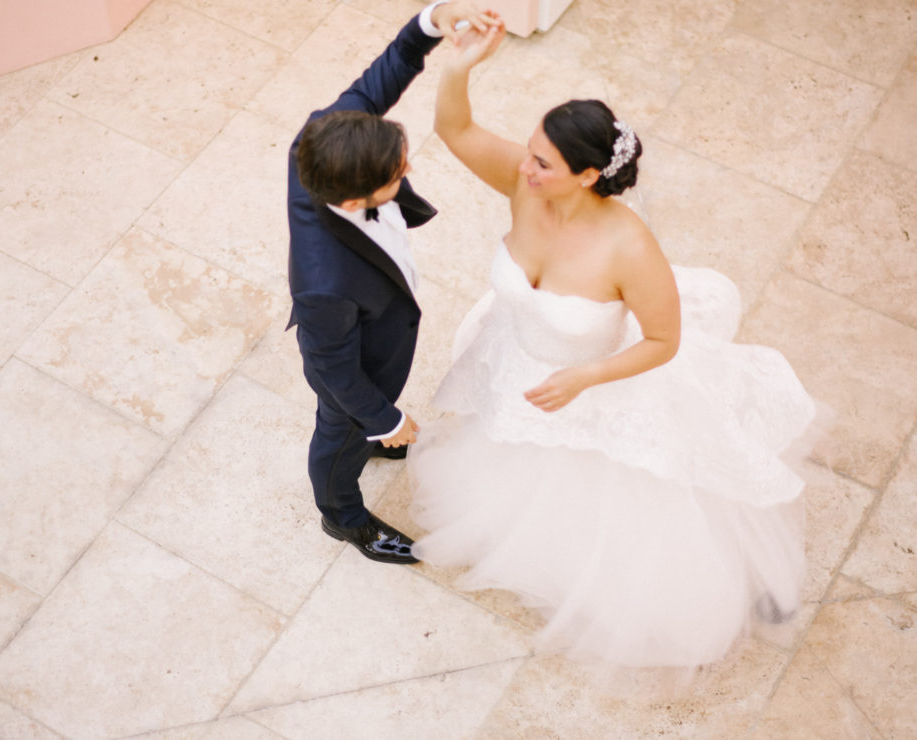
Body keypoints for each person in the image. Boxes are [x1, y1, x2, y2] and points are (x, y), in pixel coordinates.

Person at [407, 19, 819, 667]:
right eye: (529, 151)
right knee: (527, 479)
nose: (524, 166)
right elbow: (456, 131)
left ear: (589, 174)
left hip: (597, 382)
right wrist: (458, 67)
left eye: (542, 161)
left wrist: (585, 377)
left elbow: (661, 340)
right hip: (522, 362)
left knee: (654, 497)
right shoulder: (525, 184)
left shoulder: (628, 246)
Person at [287, 2, 501, 565]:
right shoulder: (324, 284)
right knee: (338, 435)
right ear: (355, 200)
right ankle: (342, 516)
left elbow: (389, 67)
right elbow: (333, 370)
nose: (406, 169)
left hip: (368, 326)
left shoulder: (324, 137)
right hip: (354, 369)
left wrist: (435, 20)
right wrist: (385, 418)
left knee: (365, 425)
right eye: (397, 173)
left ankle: (375, 437)